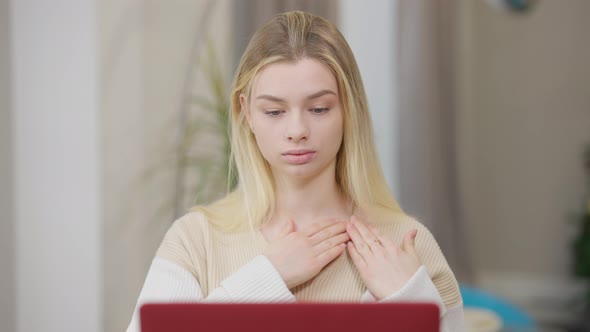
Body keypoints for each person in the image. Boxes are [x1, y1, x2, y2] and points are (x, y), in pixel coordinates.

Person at [126, 10, 464, 332]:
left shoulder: (407, 245)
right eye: (274, 111)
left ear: (349, 109)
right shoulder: (194, 241)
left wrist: (410, 298)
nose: (297, 129)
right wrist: (265, 279)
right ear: (246, 113)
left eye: (319, 108)